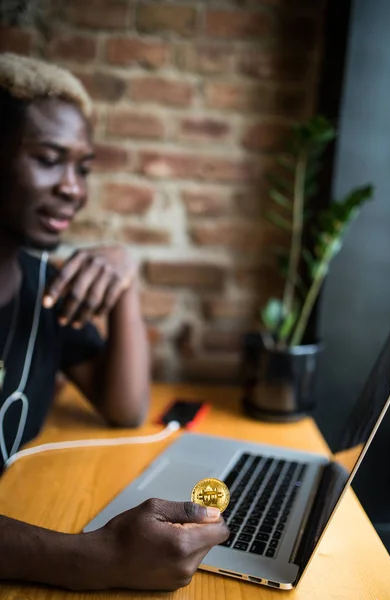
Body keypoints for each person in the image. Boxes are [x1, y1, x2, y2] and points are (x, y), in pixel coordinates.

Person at [0, 53, 229, 592]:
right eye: (49, 159)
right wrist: (93, 559)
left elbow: (124, 408)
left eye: (82, 167)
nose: (74, 188)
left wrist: (125, 274)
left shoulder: (43, 283)